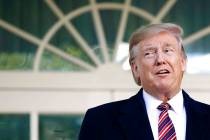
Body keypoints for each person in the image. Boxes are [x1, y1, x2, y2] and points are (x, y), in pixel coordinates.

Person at [78, 23, 210, 140]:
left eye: (167, 50)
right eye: (149, 53)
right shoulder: (100, 120)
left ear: (182, 62)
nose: (160, 60)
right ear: (135, 68)